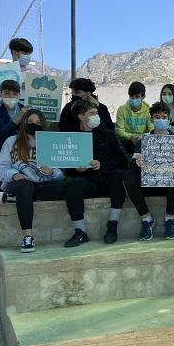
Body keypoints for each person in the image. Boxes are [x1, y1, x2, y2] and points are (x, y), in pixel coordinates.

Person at [0, 109, 65, 252]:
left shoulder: (49, 143)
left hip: (42, 183)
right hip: (19, 183)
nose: (34, 124)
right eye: (30, 121)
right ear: (23, 123)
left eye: (38, 122)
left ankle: (14, 199)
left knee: (61, 189)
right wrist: (14, 174)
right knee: (25, 187)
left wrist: (52, 172)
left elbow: (60, 174)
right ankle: (28, 237)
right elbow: (0, 167)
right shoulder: (11, 141)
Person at [63, 100, 128, 247]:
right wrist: (76, 169)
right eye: (92, 113)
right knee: (71, 186)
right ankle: (80, 232)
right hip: (87, 182)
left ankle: (113, 224)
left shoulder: (108, 135)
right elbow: (67, 167)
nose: (96, 116)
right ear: (81, 117)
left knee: (118, 176)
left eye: (96, 113)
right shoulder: (71, 139)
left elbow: (122, 160)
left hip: (108, 180)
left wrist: (102, 164)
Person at [122, 102, 174, 241]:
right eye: (157, 117)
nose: (161, 120)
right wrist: (137, 164)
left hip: (169, 185)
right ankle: (146, 219)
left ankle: (170, 219)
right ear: (151, 119)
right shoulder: (143, 140)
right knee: (128, 176)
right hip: (148, 183)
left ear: (169, 120)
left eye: (164, 117)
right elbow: (132, 164)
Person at [0, 80, 25, 200]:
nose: (11, 97)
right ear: (0, 94)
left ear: (19, 95)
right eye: (7, 93)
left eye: (15, 94)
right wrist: (15, 121)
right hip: (4, 143)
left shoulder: (23, 108)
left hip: (21, 143)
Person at [0, 38, 36, 121]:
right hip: (5, 110)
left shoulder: (34, 73)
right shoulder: (1, 72)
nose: (28, 56)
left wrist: (32, 89)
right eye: (25, 53)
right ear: (14, 52)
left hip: (26, 111)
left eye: (29, 53)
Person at [115, 81, 154, 154]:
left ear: (143, 97)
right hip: (127, 141)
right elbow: (119, 130)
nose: (134, 99)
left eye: (137, 97)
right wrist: (130, 137)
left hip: (143, 141)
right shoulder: (121, 109)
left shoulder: (148, 111)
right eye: (131, 96)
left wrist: (142, 137)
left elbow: (152, 128)